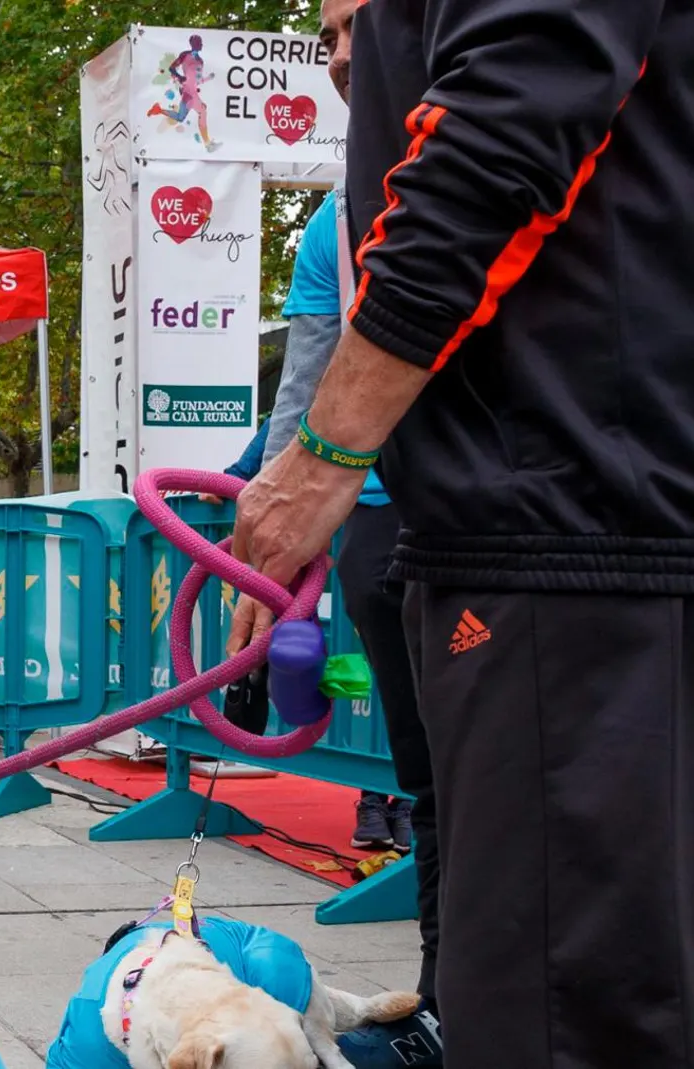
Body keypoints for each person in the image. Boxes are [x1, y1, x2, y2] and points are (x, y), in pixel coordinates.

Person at [231, 5, 693, 1066]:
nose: (343, 48)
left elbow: (506, 128)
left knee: (559, 1009)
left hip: (564, 533)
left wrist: (323, 457)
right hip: (563, 519)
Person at [221, 0, 435, 1013]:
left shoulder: (510, 142)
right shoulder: (330, 225)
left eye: (362, 23)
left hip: (530, 520)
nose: (344, 54)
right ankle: (447, 1002)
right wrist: (264, 568)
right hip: (390, 526)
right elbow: (297, 405)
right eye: (326, 38)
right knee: (433, 786)